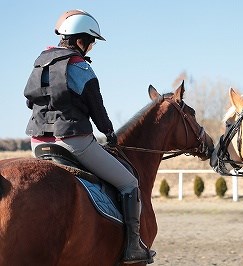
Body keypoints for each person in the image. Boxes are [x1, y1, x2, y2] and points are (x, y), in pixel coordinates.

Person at [24, 9, 155, 264]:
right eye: (91, 41)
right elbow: (97, 108)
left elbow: (31, 102)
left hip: (38, 143)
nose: (91, 47)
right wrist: (109, 134)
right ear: (79, 39)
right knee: (129, 184)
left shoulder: (39, 62)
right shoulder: (79, 66)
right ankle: (132, 248)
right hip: (73, 142)